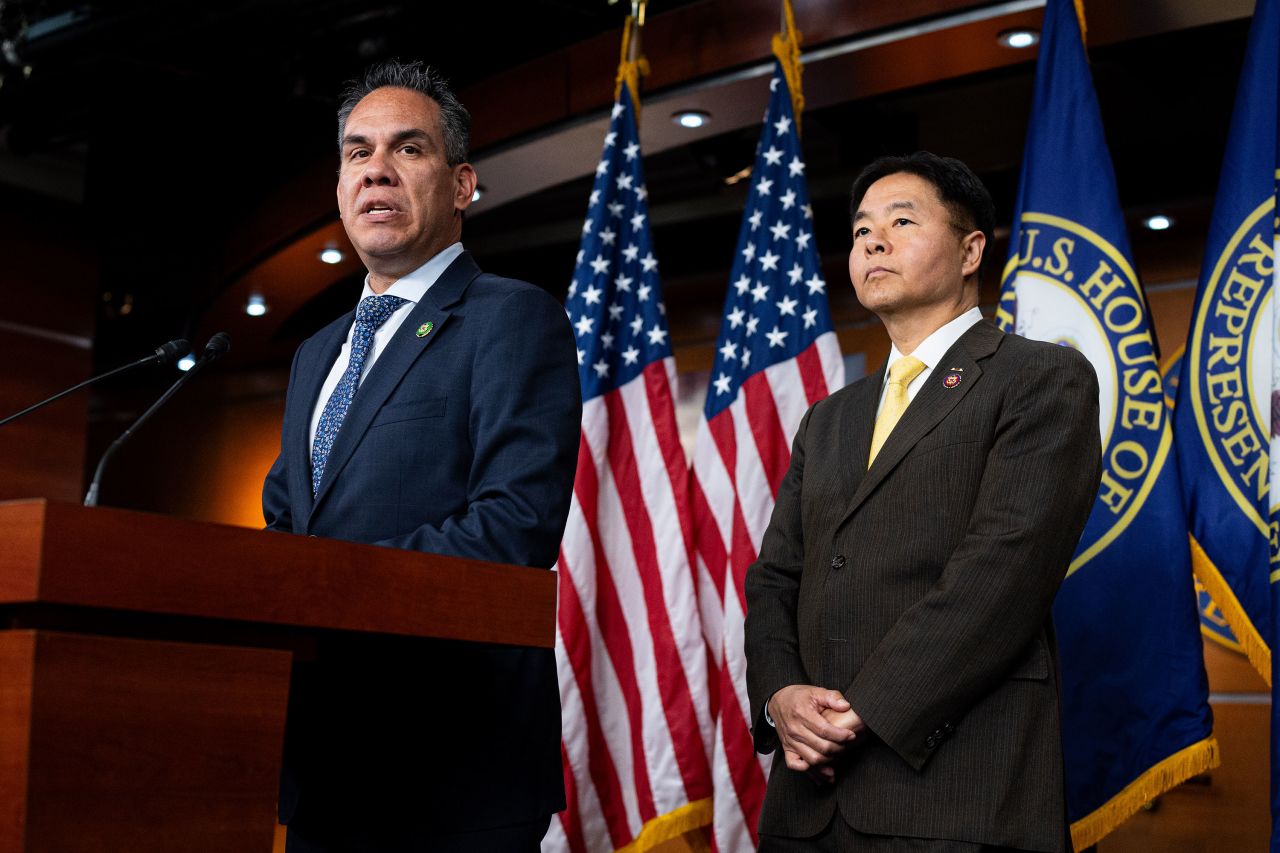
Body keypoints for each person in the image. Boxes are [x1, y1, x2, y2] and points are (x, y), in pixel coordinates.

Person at [261, 60, 581, 852]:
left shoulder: (512, 318)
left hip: (452, 768)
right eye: (356, 152)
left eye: (408, 149)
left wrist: (330, 590)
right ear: (339, 186)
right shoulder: (316, 353)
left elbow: (515, 525)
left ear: (462, 184)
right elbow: (284, 520)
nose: (376, 169)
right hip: (321, 761)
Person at [744, 152, 1101, 853]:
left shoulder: (1041, 379)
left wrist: (860, 711)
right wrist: (780, 696)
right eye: (860, 230)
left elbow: (1001, 574)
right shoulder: (829, 417)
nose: (872, 241)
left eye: (901, 221)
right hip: (806, 804)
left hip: (957, 795)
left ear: (971, 250)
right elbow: (774, 578)